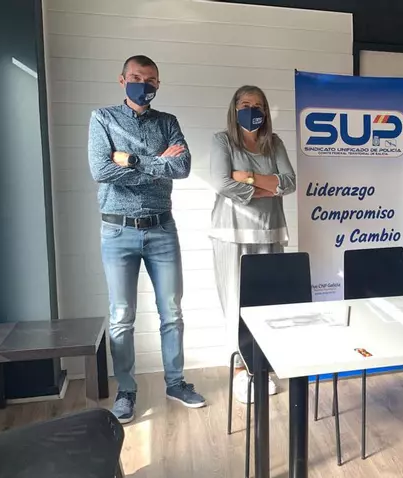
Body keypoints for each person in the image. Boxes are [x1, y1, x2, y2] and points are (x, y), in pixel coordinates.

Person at [88, 55, 205, 424]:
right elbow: (101, 169)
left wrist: (132, 160)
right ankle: (126, 390)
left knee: (172, 311)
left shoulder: (167, 122)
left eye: (151, 79)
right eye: (136, 77)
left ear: (158, 84)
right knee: (122, 316)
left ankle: (176, 382)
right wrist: (157, 162)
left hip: (161, 229)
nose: (144, 84)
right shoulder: (102, 118)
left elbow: (182, 167)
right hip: (117, 230)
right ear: (122, 79)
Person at [209, 85, 296, 402]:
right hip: (232, 233)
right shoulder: (222, 141)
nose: (252, 110)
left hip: (270, 231)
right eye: (245, 104)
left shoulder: (274, 143)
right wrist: (268, 186)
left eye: (258, 105)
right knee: (237, 303)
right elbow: (221, 182)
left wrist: (246, 177)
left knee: (269, 302)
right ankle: (240, 370)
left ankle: (262, 368)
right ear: (235, 108)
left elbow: (289, 182)